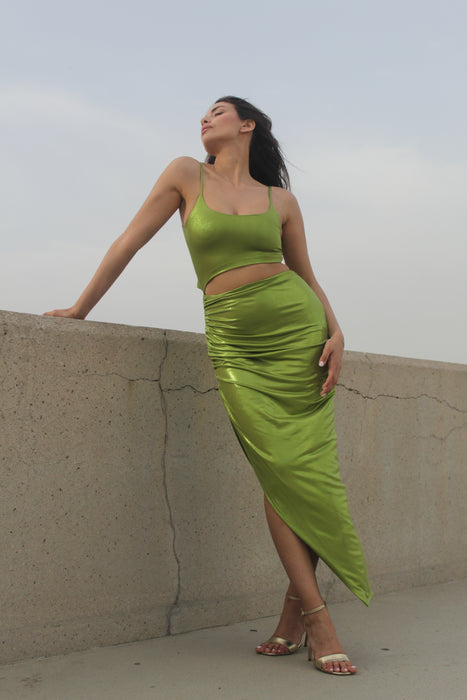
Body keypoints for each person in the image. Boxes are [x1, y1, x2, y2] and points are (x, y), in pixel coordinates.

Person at [44, 95, 372, 676]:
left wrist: (337, 330)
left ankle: (299, 614)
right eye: (203, 114)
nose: (204, 118)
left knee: (308, 477)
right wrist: (79, 308)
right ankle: (315, 615)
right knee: (278, 471)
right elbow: (128, 242)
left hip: (299, 337)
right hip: (237, 344)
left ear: (247, 125)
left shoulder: (282, 201)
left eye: (217, 111)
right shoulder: (184, 174)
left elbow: (304, 274)